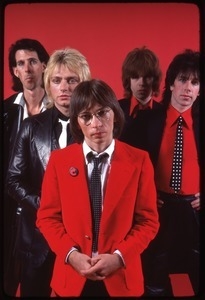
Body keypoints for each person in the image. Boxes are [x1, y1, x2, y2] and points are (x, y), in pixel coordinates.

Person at [36, 78, 159, 297]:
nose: (96, 123)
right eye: (86, 116)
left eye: (103, 113)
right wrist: (72, 255)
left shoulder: (139, 161)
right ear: (77, 121)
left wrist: (119, 257)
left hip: (121, 278)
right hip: (72, 278)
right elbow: (47, 218)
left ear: (115, 113)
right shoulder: (59, 161)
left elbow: (148, 221)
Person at [6, 48, 91, 297]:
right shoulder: (30, 127)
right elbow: (13, 180)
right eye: (57, 80)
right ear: (48, 84)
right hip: (37, 239)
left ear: (83, 83)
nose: (64, 87)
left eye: (71, 80)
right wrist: (44, 204)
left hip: (85, 239)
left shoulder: (98, 126)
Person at [135, 49, 200, 296]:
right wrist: (145, 194)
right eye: (182, 80)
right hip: (159, 208)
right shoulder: (148, 120)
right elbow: (130, 168)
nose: (187, 88)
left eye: (194, 82)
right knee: (155, 280)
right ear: (171, 83)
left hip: (194, 210)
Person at [3, 38, 49, 296]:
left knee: (38, 283)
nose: (28, 68)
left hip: (44, 207)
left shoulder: (60, 110)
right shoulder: (6, 111)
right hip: (10, 207)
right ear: (15, 71)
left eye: (33, 61)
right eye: (21, 63)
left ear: (44, 65)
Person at [118, 46, 162, 145]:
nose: (141, 83)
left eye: (147, 77)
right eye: (135, 77)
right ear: (128, 80)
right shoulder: (116, 110)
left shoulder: (164, 113)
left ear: (154, 79)